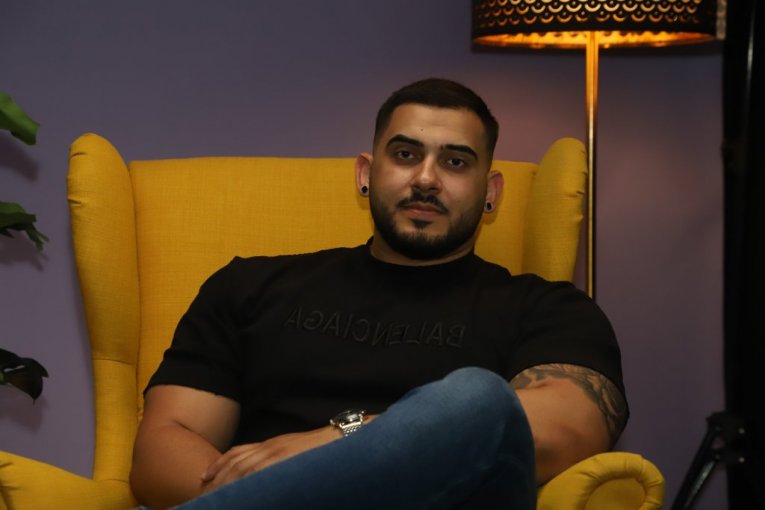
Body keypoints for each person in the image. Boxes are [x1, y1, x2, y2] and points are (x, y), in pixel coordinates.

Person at [129, 78, 628, 510]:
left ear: (491, 192)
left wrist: (339, 439)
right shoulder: (250, 285)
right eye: (406, 155)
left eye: (455, 162)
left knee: (480, 399)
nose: (426, 179)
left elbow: (567, 429)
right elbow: (160, 453)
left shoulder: (546, 309)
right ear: (366, 174)